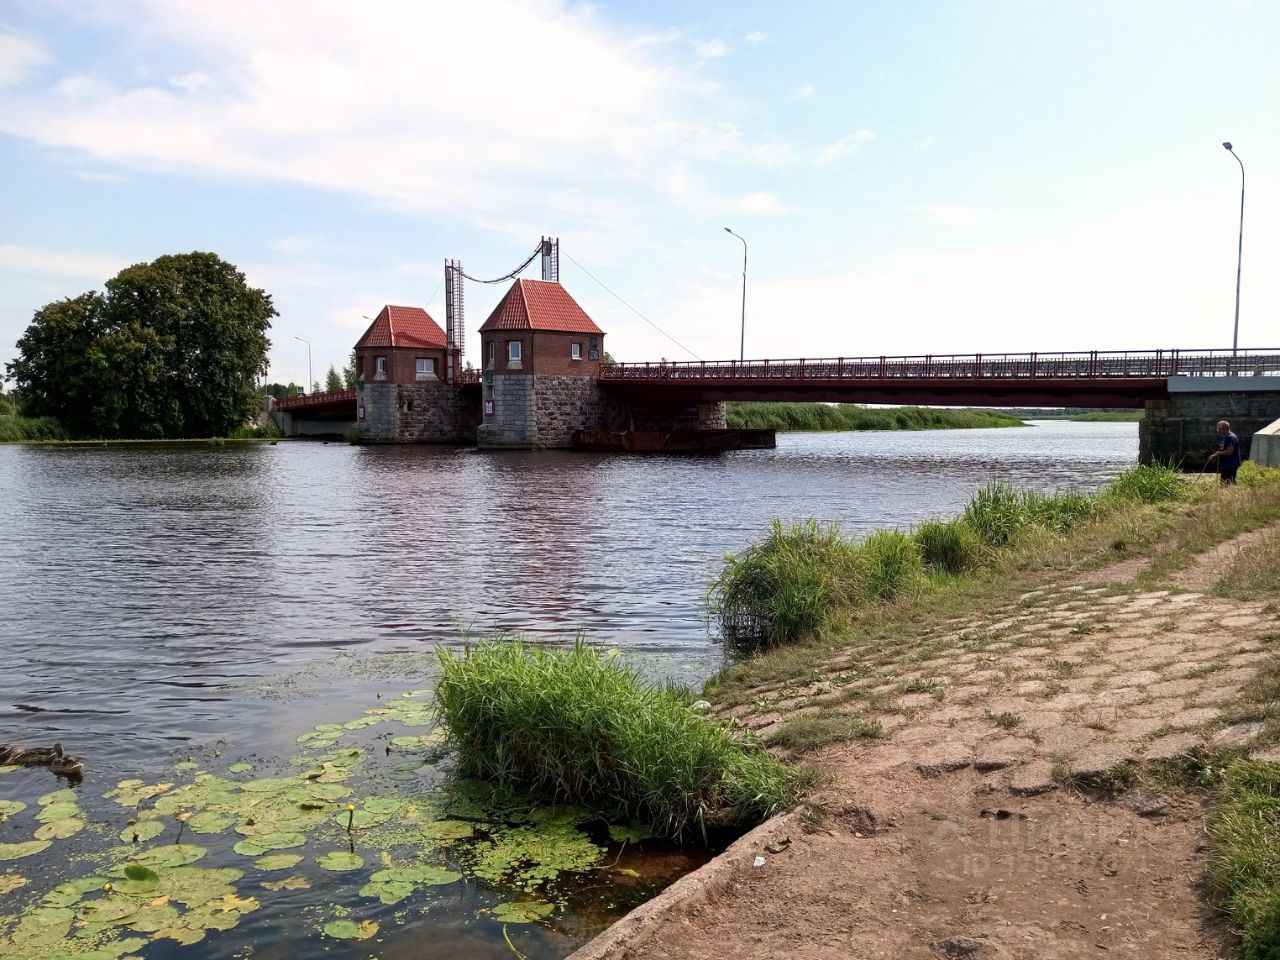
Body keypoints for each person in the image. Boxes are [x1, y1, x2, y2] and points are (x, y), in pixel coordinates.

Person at [1206, 420, 1241, 484]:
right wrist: (1217, 455)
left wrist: (1217, 454)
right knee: (1224, 483)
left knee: (1227, 483)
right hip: (1226, 464)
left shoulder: (1231, 437)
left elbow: (1229, 451)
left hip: (1230, 464)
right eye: (1218, 429)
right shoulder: (1226, 437)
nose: (1218, 431)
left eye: (1220, 429)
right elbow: (1224, 450)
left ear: (1226, 428)